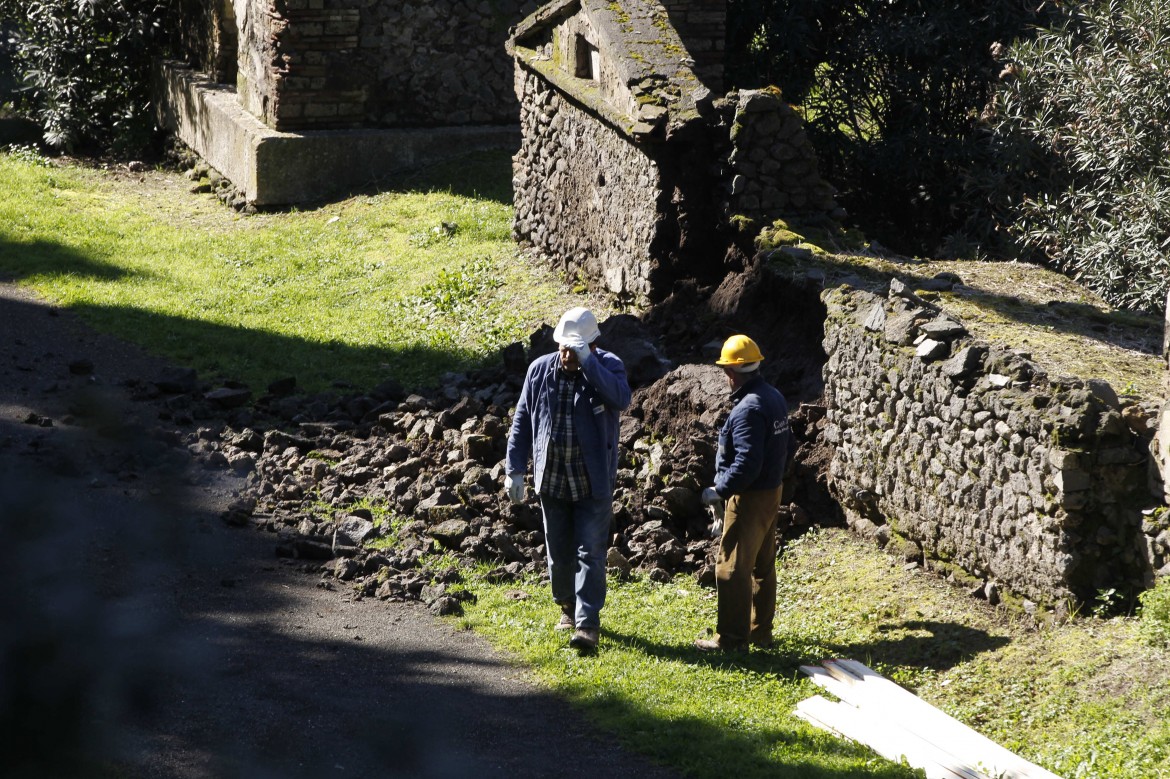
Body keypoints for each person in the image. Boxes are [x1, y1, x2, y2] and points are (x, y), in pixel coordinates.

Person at [505, 307, 631, 652]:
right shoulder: (539, 371)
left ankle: (587, 624)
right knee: (558, 552)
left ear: (589, 345)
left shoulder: (608, 366)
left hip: (593, 481)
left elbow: (621, 398)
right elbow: (522, 421)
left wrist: (589, 364)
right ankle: (566, 606)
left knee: (590, 551)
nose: (566, 355)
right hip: (554, 479)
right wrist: (514, 469)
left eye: (574, 348)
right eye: (562, 347)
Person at [696, 334, 791, 652]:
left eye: (726, 370)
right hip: (771, 491)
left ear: (732, 372)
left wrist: (719, 490)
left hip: (750, 497)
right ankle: (760, 632)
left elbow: (748, 462)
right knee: (762, 566)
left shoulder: (748, 410)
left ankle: (733, 640)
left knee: (732, 567)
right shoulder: (773, 396)